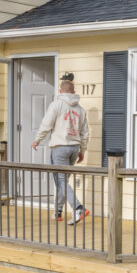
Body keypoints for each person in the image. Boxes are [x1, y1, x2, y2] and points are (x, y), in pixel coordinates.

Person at [32, 77, 90, 225]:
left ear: (60, 91)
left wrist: (37, 139)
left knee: (61, 181)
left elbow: (46, 124)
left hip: (60, 148)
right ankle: (58, 212)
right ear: (74, 92)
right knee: (62, 182)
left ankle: (78, 208)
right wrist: (82, 150)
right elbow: (85, 133)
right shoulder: (80, 110)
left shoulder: (56, 105)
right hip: (74, 148)